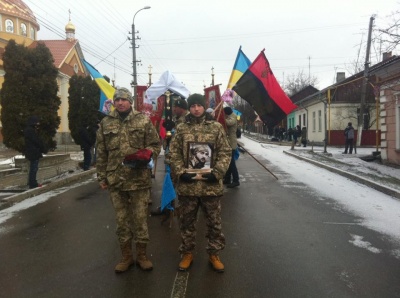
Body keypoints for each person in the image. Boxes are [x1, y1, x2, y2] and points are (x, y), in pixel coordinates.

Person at [96, 87, 161, 273]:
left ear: (130, 102)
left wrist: (148, 154)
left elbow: (155, 144)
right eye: (117, 100)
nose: (120, 103)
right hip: (115, 180)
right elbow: (101, 153)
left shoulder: (142, 120)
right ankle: (126, 257)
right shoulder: (105, 123)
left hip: (138, 179)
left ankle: (142, 255)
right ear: (114, 103)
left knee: (140, 219)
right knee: (122, 220)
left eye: (124, 100)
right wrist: (102, 176)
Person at [169, 93, 231, 273]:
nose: (196, 108)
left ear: (204, 106)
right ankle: (187, 253)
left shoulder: (216, 127)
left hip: (210, 187)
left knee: (214, 223)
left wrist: (217, 173)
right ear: (189, 107)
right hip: (188, 187)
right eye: (192, 105)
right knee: (187, 222)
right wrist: (181, 173)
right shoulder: (181, 128)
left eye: (199, 105)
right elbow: (174, 153)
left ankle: (214, 253)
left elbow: (225, 152)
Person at [24, 115, 47, 189]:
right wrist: (42, 147)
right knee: (33, 168)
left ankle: (33, 182)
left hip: (33, 151)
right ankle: (33, 184)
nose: (38, 124)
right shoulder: (30, 130)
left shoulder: (30, 130)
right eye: (37, 122)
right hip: (33, 152)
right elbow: (36, 141)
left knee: (34, 168)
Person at [223, 106, 240, 188]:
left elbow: (228, 123)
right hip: (229, 142)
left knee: (232, 163)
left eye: (225, 113)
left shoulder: (233, 117)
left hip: (231, 143)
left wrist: (222, 118)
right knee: (229, 163)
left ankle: (236, 180)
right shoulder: (230, 116)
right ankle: (227, 179)